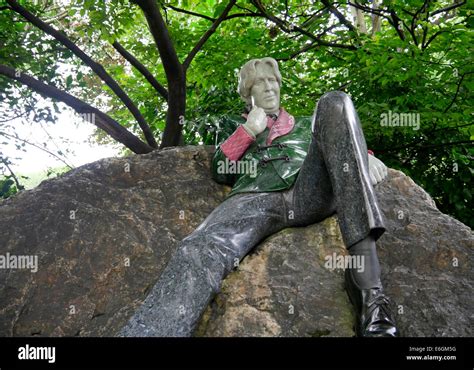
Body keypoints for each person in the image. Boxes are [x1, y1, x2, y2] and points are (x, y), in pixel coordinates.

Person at [120, 57, 399, 337]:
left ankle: (370, 294)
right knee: (199, 246)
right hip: (255, 196)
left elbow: (340, 146)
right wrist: (249, 130)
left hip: (308, 190)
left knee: (335, 101)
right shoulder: (233, 126)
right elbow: (221, 168)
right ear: (247, 93)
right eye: (258, 83)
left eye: (272, 80)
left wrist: (363, 157)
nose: (268, 87)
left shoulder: (306, 125)